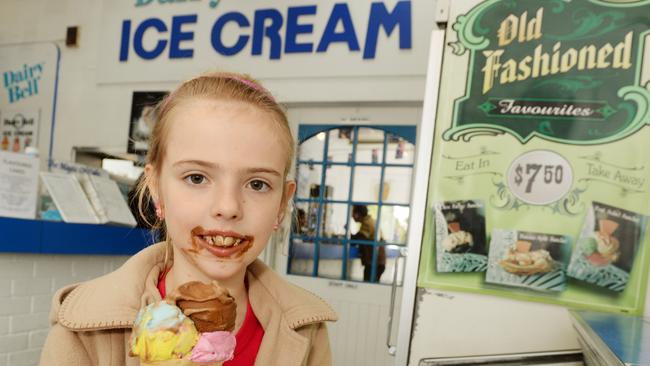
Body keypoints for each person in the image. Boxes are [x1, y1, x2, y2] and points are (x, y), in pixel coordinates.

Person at [39, 72, 337, 365]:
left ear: (283, 203)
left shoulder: (307, 330)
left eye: (257, 184)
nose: (228, 207)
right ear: (156, 189)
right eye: (196, 177)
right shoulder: (83, 330)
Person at [351, 205, 386, 282]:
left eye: (353, 213)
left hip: (374, 262)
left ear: (357, 214)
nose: (352, 216)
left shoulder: (367, 223)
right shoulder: (371, 220)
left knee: (367, 286)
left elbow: (358, 238)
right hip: (378, 262)